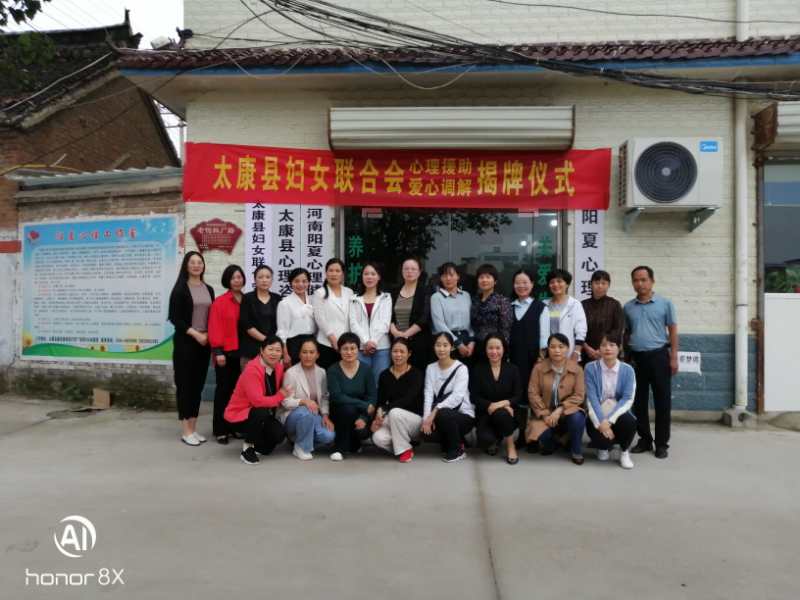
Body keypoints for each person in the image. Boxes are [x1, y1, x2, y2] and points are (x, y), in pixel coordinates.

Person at [624, 265, 678, 460]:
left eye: (643, 279)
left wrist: (673, 356)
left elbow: (673, 330)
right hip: (636, 359)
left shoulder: (665, 304)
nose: (640, 284)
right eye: (636, 280)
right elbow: (627, 333)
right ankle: (645, 439)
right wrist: (626, 357)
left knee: (662, 401)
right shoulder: (628, 307)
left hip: (659, 356)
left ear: (652, 281)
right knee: (638, 402)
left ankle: (661, 443)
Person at [168, 251, 215, 447]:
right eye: (192, 262)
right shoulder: (180, 289)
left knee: (197, 386)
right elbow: (175, 318)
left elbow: (212, 316)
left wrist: (208, 335)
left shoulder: (209, 289)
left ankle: (194, 428)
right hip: (186, 342)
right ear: (186, 266)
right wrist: (196, 334)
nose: (196, 265)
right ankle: (186, 431)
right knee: (185, 385)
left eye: (199, 262)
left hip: (204, 343)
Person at [224, 336, 292, 465]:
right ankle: (248, 448)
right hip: (239, 416)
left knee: (278, 435)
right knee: (261, 411)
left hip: (262, 414)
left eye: (278, 350)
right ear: (262, 350)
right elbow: (258, 402)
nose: (274, 353)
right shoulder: (252, 369)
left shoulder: (278, 367)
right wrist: (280, 395)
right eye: (270, 349)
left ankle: (258, 445)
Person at [527, 333, 587, 465]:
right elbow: (533, 393)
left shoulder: (577, 369)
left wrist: (559, 410)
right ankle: (557, 442)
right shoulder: (538, 368)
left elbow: (579, 395)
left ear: (567, 348)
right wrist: (544, 414)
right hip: (546, 414)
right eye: (553, 347)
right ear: (548, 349)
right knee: (543, 437)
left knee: (577, 418)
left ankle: (576, 451)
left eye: (561, 346)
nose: (557, 350)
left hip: (567, 412)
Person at [508, 268, 550, 445]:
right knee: (517, 396)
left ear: (532, 284)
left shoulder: (541, 307)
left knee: (534, 397)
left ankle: (533, 436)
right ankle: (520, 436)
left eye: (525, 282)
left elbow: (545, 337)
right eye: (518, 282)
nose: (521, 286)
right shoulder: (509, 306)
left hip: (534, 360)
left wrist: (540, 360)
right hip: (513, 359)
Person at [584, 334, 637, 469]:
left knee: (629, 421)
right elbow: (591, 398)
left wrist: (609, 421)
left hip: (617, 411)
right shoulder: (590, 368)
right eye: (604, 345)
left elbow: (627, 398)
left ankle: (624, 451)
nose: (607, 348)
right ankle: (603, 447)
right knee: (592, 426)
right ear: (599, 349)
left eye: (612, 345)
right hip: (599, 411)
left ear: (619, 348)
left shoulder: (628, 370)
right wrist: (601, 422)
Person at [422, 332, 475, 463]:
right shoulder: (430, 368)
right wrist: (426, 419)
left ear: (452, 347)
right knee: (427, 432)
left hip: (463, 416)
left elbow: (457, 397)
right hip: (442, 415)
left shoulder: (461, 368)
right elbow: (428, 394)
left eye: (445, 345)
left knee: (443, 413)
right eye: (438, 345)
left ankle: (458, 450)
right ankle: (458, 440)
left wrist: (434, 412)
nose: (441, 349)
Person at [279, 338, 335, 460]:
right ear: (299, 354)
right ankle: (301, 447)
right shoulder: (291, 373)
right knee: (305, 412)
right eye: (304, 352)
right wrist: (303, 401)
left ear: (317, 355)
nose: (308, 356)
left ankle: (298, 438)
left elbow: (324, 397)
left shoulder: (322, 372)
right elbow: (285, 401)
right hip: (293, 416)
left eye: (311, 352)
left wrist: (325, 415)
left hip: (313, 414)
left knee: (329, 436)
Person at [207, 264, 245, 445]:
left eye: (239, 277)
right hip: (226, 354)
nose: (237, 280)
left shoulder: (247, 300)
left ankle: (235, 426)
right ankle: (221, 429)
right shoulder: (220, 302)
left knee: (239, 394)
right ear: (227, 281)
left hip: (244, 354)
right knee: (224, 391)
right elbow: (214, 327)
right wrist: (218, 351)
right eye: (233, 277)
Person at [470, 334, 521, 464]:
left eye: (498, 348)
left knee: (502, 414)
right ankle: (496, 439)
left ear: (504, 349)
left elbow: (518, 395)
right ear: (485, 349)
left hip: (508, 414)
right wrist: (489, 405)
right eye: (490, 348)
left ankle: (510, 445)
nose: (494, 352)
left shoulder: (513, 369)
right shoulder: (478, 369)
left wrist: (501, 404)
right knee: (485, 440)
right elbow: (474, 397)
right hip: (485, 414)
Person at [371, 338, 425, 463]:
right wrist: (376, 418)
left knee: (394, 412)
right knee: (378, 438)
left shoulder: (416, 374)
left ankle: (404, 450)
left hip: (414, 422)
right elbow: (381, 401)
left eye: (402, 351)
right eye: (395, 351)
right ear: (390, 353)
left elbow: (408, 399)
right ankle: (404, 447)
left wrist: (385, 409)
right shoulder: (384, 375)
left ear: (409, 354)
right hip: (393, 419)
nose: (398, 355)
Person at [327, 332, 377, 460]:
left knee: (362, 431)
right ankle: (340, 448)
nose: (349, 352)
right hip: (339, 411)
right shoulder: (333, 370)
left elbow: (372, 396)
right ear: (339, 350)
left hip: (361, 413)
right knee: (347, 409)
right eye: (345, 349)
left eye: (353, 348)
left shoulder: (366, 370)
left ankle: (354, 443)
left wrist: (364, 418)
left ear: (358, 349)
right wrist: (364, 405)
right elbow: (337, 396)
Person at [349, 262, 393, 377]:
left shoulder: (386, 297)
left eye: (373, 274)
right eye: (366, 274)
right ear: (362, 276)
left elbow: (385, 323)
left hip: (382, 347)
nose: (369, 277)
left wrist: (373, 342)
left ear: (379, 277)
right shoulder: (354, 299)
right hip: (361, 348)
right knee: (362, 382)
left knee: (380, 381)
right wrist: (366, 342)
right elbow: (353, 324)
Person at [311, 258, 354, 369]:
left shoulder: (349, 292)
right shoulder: (319, 293)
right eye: (331, 270)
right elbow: (320, 318)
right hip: (326, 343)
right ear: (326, 273)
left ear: (342, 274)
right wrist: (333, 340)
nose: (334, 274)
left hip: (346, 345)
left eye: (337, 271)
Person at [390, 257, 431, 371]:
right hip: (396, 342)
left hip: (418, 342)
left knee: (416, 374)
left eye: (413, 269)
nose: (409, 272)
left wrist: (405, 335)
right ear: (402, 271)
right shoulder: (394, 291)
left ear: (419, 272)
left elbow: (424, 317)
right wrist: (395, 333)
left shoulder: (425, 291)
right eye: (406, 269)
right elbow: (388, 316)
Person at [430, 262, 475, 363]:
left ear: (458, 276)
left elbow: (471, 321)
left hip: (467, 342)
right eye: (444, 275)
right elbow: (439, 324)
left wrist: (472, 341)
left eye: (451, 275)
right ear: (440, 278)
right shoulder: (436, 297)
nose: (448, 278)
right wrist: (458, 344)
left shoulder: (466, 295)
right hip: (447, 342)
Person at [238, 265, 281, 369]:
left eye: (267, 277)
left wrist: (272, 343)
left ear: (272, 280)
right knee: (251, 378)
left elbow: (281, 323)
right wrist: (267, 340)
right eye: (260, 277)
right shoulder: (247, 298)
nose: (264, 280)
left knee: (271, 378)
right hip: (251, 349)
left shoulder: (277, 298)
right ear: (255, 280)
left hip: (272, 350)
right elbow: (246, 324)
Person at [581, 270, 625, 364]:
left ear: (608, 285)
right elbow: (577, 329)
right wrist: (586, 348)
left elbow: (618, 329)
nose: (600, 286)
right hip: (586, 352)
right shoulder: (582, 305)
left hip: (609, 352)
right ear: (591, 285)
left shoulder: (614, 305)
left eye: (603, 283)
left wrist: (603, 349)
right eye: (597, 283)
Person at [544, 269, 587, 363]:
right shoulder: (544, 305)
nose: (555, 284)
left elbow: (581, 331)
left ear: (567, 284)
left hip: (570, 354)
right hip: (548, 354)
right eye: (552, 282)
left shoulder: (575, 304)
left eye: (559, 281)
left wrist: (576, 352)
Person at [471, 263, 513, 358]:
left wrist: (503, 351)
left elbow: (506, 329)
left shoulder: (502, 301)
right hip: (475, 348)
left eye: (488, 277)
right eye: (481, 277)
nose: (484, 280)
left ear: (495, 281)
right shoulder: (474, 300)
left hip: (494, 349)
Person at [276, 267, 316, 366]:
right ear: (291, 283)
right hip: (294, 345)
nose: (300, 284)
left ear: (309, 283)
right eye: (296, 281)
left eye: (304, 281)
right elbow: (282, 331)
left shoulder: (313, 300)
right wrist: (285, 354)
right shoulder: (285, 303)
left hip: (312, 343)